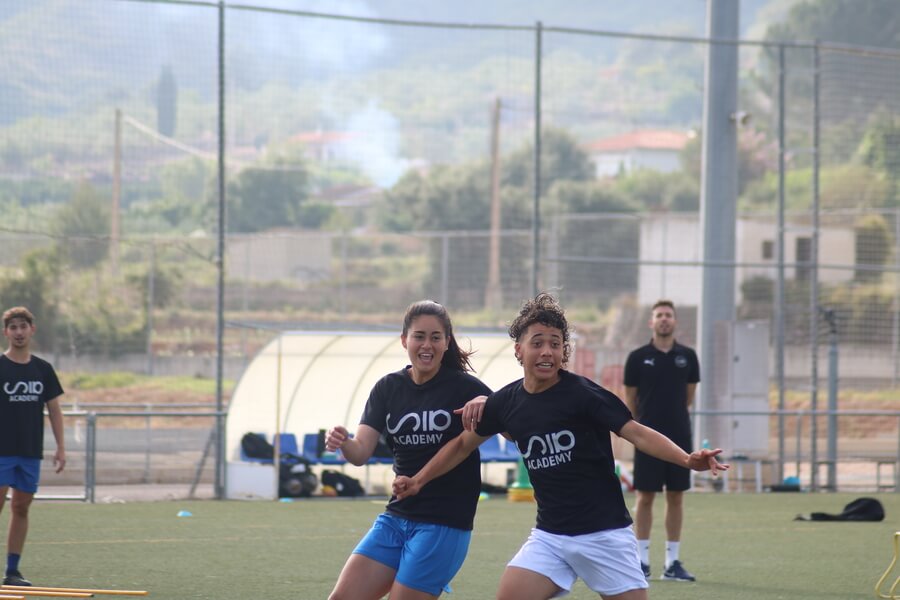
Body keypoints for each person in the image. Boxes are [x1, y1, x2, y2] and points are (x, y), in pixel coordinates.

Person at [393, 293, 727, 600]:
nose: (547, 351)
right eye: (537, 343)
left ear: (564, 351)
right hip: (550, 538)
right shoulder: (506, 403)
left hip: (606, 535)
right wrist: (418, 480)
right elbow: (462, 445)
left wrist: (687, 459)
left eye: (556, 343)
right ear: (519, 350)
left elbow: (636, 433)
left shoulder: (584, 395)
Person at [324, 300, 492, 600]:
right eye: (419, 336)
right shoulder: (388, 388)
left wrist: (488, 404)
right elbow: (361, 453)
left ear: (446, 342)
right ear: (404, 340)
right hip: (396, 516)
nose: (427, 344)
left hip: (445, 521)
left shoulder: (465, 388)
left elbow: (514, 423)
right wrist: (344, 441)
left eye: (435, 337)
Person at [623, 299, 700, 582]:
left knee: (676, 496)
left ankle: (673, 563)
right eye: (659, 315)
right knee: (644, 497)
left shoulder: (688, 357)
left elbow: (688, 397)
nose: (664, 319)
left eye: (668, 315)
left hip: (680, 437)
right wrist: (640, 430)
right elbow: (630, 399)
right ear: (651, 322)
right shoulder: (637, 357)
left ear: (675, 321)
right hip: (647, 439)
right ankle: (641, 562)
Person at [0, 307, 66, 587]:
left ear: (32, 330)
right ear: (6, 332)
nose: (18, 332)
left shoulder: (43, 369)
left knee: (22, 508)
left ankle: (12, 571)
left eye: (22, 327)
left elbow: (54, 409)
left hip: (29, 451)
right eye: (12, 327)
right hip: (1, 449)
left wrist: (61, 447)